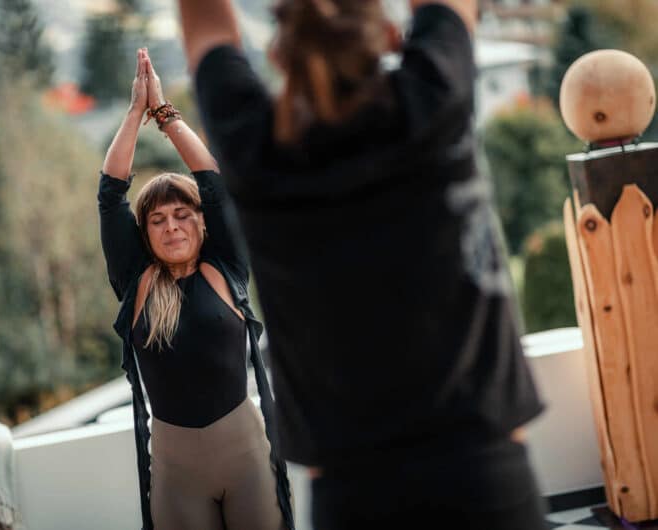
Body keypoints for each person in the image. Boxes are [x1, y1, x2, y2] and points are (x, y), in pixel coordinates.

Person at [174, 0, 549, 529]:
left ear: (280, 54)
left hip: (353, 498)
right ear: (390, 35)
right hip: (484, 477)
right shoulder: (432, 100)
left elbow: (207, 27)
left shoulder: (256, 148)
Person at [97, 48, 294, 530]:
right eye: (158, 220)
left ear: (203, 224)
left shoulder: (225, 267)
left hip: (244, 451)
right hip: (175, 466)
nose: (172, 227)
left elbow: (214, 183)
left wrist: (164, 114)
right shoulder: (137, 282)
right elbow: (110, 194)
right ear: (145, 234)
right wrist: (133, 113)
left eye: (183, 215)